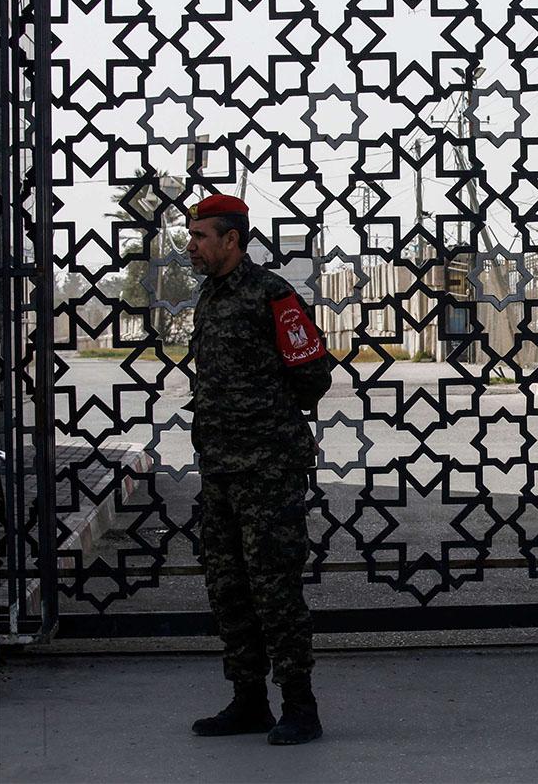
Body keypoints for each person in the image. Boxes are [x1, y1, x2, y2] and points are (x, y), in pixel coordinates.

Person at [184, 194, 331, 745]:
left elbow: (311, 375)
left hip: (267, 470)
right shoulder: (210, 297)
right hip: (219, 467)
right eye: (192, 235)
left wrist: (265, 418)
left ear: (232, 239)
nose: (192, 246)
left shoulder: (272, 293)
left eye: (201, 236)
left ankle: (300, 706)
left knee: (275, 589)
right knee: (229, 588)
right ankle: (249, 701)